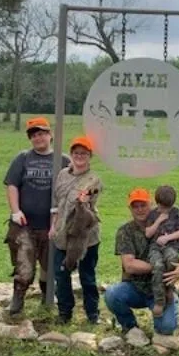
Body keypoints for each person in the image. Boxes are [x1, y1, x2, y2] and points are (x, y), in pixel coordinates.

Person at [105, 188, 179, 335]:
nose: (140, 210)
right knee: (112, 295)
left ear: (151, 204)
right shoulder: (125, 231)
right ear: (130, 208)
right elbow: (129, 266)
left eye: (143, 205)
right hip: (135, 287)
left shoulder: (165, 223)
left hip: (160, 290)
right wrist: (160, 267)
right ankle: (130, 327)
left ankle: (171, 299)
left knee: (166, 328)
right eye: (135, 206)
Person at [4, 117, 69, 316]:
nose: (38, 138)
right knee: (24, 264)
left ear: (50, 135)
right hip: (25, 224)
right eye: (34, 135)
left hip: (52, 224)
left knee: (50, 265)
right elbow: (12, 185)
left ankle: (47, 295)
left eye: (41, 133)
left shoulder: (63, 160)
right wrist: (16, 211)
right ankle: (18, 299)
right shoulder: (23, 158)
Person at [49, 135, 102, 325]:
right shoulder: (62, 175)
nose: (80, 156)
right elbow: (56, 202)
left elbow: (87, 200)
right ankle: (65, 312)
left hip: (85, 237)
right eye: (76, 153)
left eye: (84, 153)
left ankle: (92, 314)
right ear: (71, 155)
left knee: (87, 276)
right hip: (62, 234)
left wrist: (84, 201)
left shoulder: (93, 179)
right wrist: (52, 225)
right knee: (61, 275)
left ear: (90, 156)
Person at [144, 185, 179, 317]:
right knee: (157, 266)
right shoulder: (152, 214)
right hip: (155, 247)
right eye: (162, 207)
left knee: (173, 259)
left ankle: (169, 289)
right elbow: (148, 233)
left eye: (168, 208)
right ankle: (159, 302)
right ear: (157, 203)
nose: (165, 210)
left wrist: (168, 237)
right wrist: (158, 220)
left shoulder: (176, 212)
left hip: (171, 246)